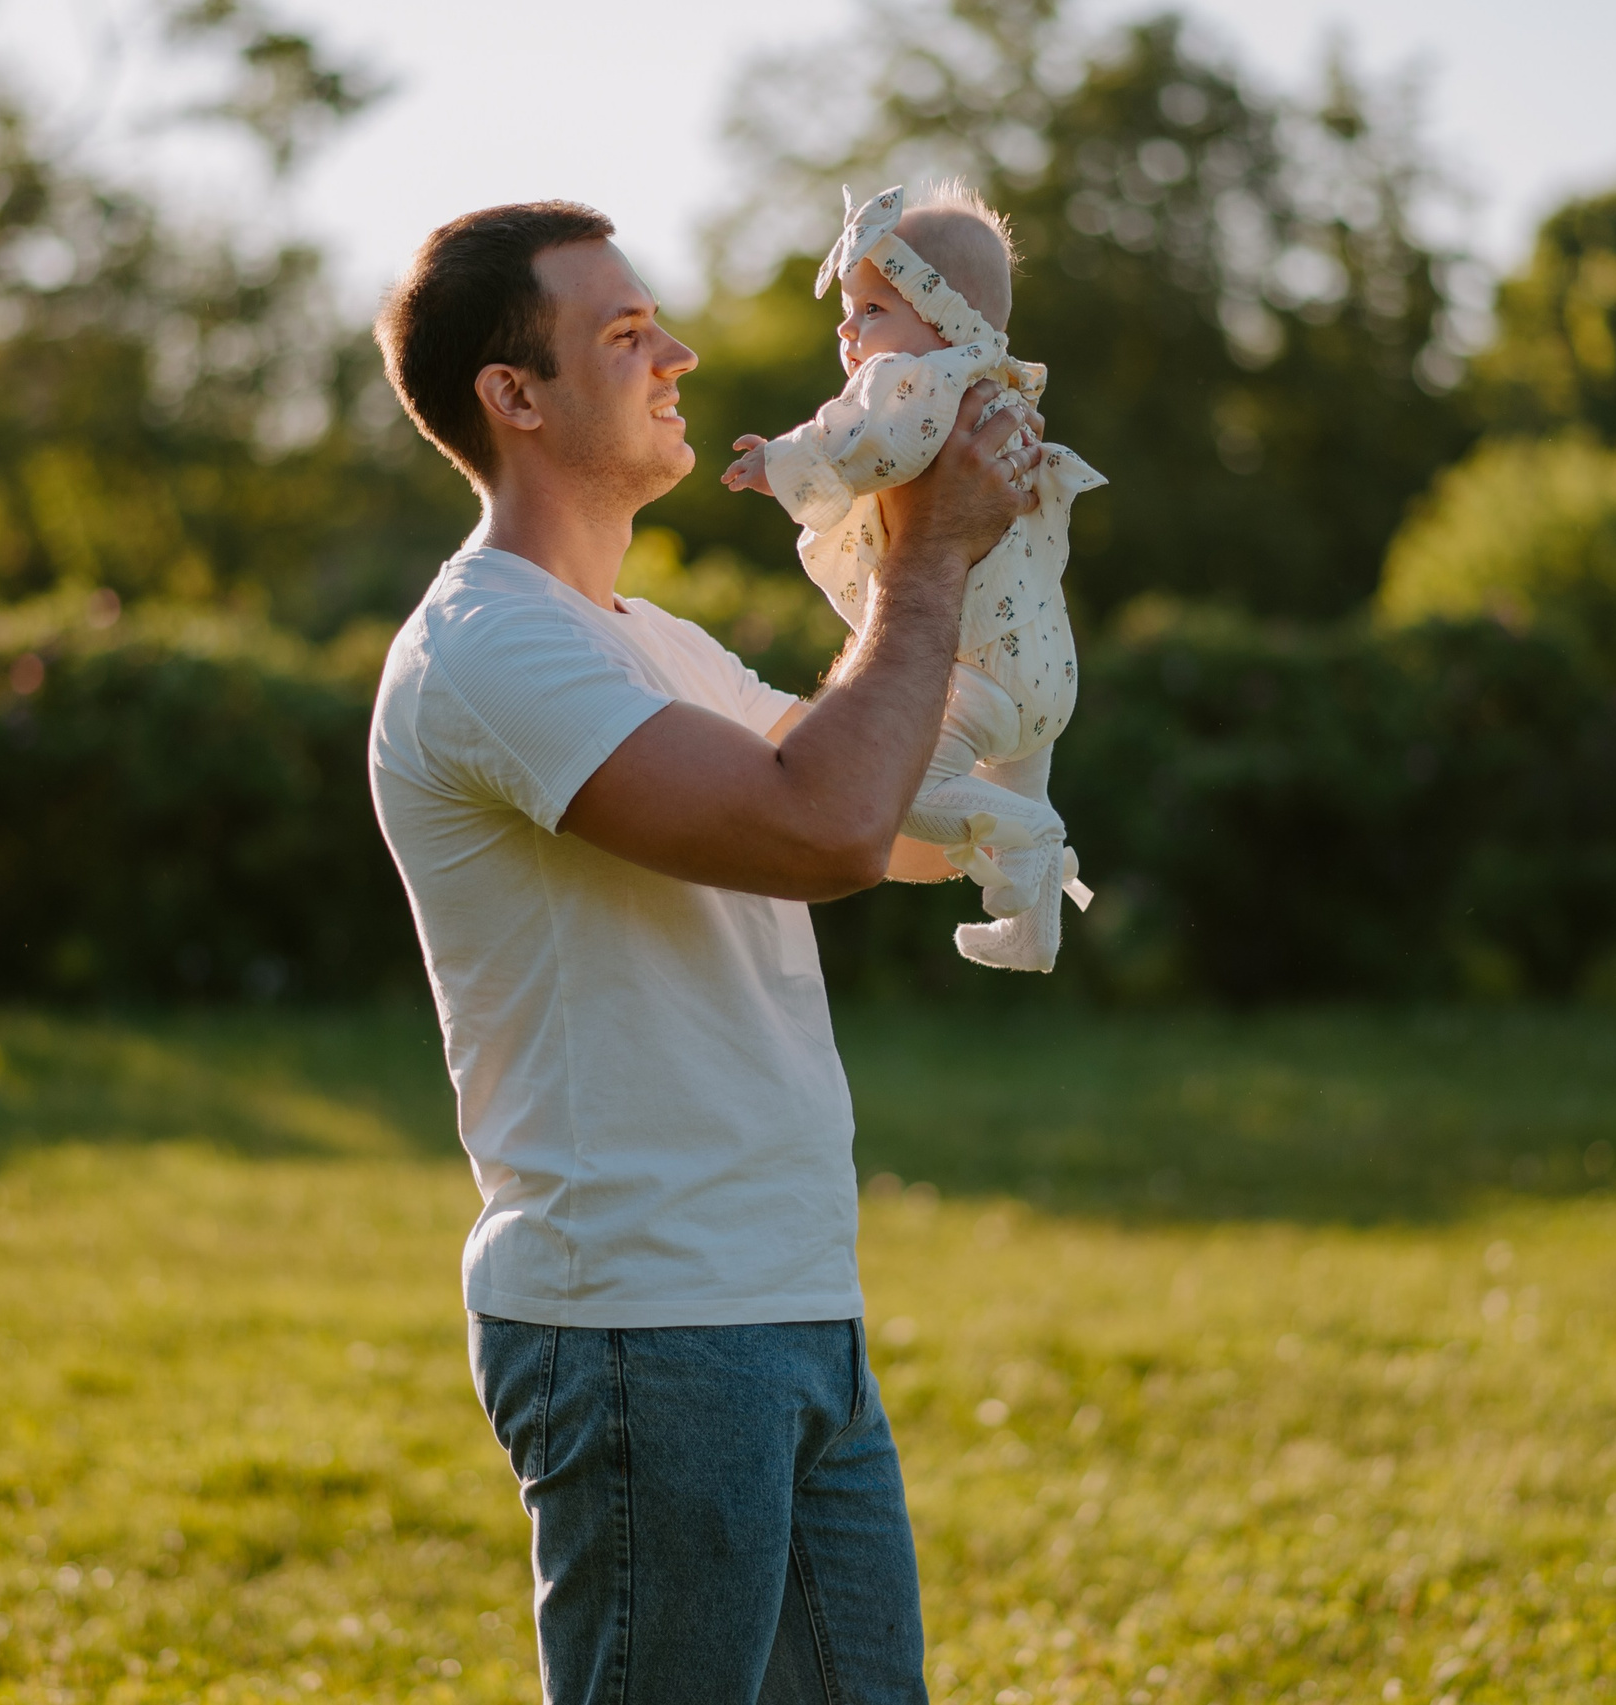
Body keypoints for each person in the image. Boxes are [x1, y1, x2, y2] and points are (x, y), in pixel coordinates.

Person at [365, 200, 1042, 1705]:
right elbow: (820, 833)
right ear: (514, 395)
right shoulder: (490, 646)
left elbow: (909, 823)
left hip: (789, 1301)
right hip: (645, 1336)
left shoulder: (654, 640)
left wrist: (1004, 595)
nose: (678, 351)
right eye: (624, 333)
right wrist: (926, 562)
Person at [721, 181, 1105, 973]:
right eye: (850, 312)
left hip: (982, 668)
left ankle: (1026, 835)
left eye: (872, 310)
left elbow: (875, 447)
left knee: (908, 785)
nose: (848, 330)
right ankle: (1033, 935)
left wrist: (782, 463)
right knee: (1024, 785)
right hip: (1041, 659)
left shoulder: (921, 385)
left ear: (948, 319)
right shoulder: (992, 395)